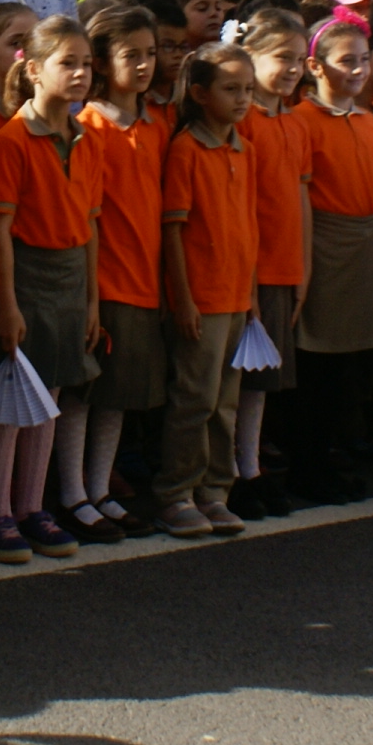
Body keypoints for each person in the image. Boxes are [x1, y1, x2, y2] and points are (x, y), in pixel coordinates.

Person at [0, 16, 100, 564]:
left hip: (72, 280)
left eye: (87, 63)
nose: (79, 74)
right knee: (11, 399)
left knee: (49, 397)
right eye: (67, 62)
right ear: (32, 70)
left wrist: (92, 299)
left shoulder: (87, 139)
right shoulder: (11, 140)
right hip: (27, 276)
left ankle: (32, 506)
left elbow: (91, 224)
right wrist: (6, 304)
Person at [67, 3, 168, 542]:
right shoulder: (88, 125)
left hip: (146, 280)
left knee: (119, 398)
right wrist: (90, 293)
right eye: (132, 54)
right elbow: (88, 215)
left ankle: (100, 489)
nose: (146, 64)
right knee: (83, 395)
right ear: (103, 61)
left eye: (151, 53)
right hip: (104, 282)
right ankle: (72, 495)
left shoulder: (157, 123)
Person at [156, 43, 261, 535]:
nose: (242, 99)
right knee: (194, 398)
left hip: (238, 297)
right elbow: (174, 230)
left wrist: (253, 293)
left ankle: (215, 490)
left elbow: (249, 227)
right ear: (200, 93)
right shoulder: (185, 150)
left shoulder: (245, 148)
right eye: (231, 89)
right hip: (203, 298)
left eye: (248, 89)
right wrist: (184, 299)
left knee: (225, 401)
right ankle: (177, 492)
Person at [290, 10, 373, 505]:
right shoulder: (301, 122)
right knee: (318, 368)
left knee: (352, 365)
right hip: (325, 248)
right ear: (315, 67)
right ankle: (307, 463)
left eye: (364, 59)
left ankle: (334, 453)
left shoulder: (371, 120)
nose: (357, 69)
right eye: (345, 60)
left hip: (364, 245)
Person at [229, 7, 314, 519]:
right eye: (281, 57)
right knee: (236, 379)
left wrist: (302, 265)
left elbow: (301, 197)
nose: (292, 69)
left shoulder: (294, 120)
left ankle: (251, 465)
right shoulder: (244, 121)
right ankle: (233, 472)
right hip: (248, 270)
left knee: (263, 379)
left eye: (300, 60)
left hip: (284, 267)